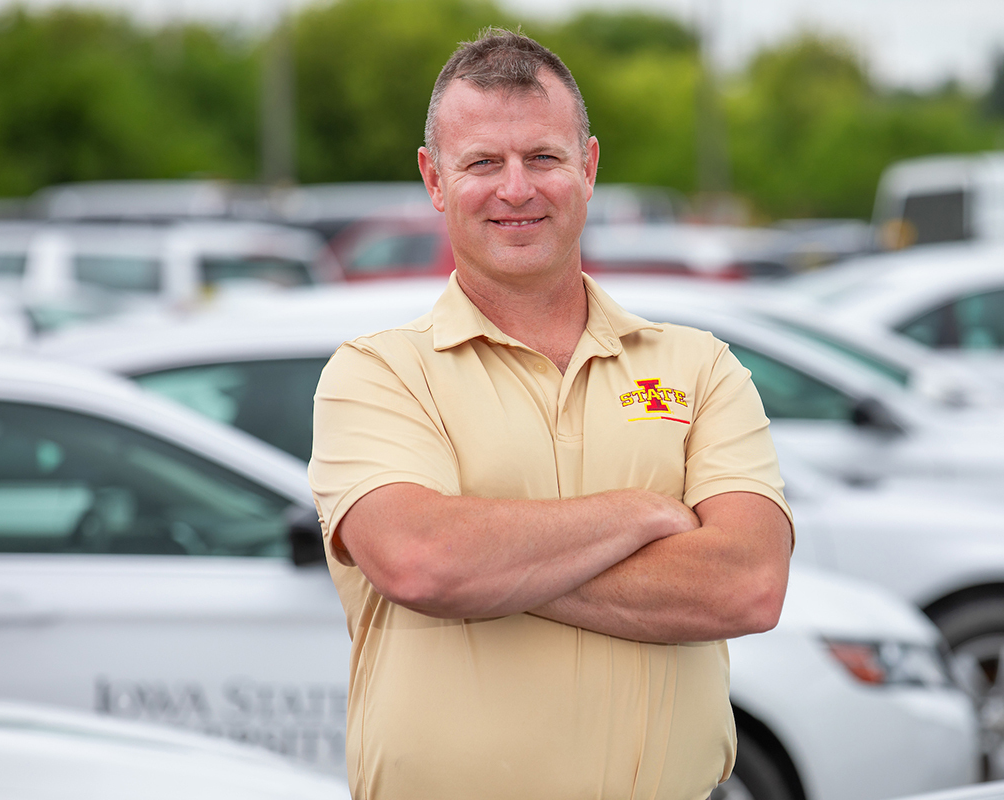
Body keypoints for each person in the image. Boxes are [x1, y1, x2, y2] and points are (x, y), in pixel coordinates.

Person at [308, 28, 794, 800]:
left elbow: (748, 586)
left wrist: (490, 565)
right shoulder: (375, 375)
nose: (516, 189)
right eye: (482, 163)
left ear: (589, 166)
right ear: (434, 180)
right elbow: (420, 561)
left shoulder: (701, 369)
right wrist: (643, 513)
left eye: (542, 158)